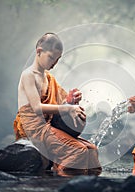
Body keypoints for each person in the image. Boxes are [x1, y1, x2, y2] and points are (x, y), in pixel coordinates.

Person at [13, 33, 101, 176]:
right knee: (79, 151)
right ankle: (61, 180)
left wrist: (71, 101)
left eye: (57, 59)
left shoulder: (49, 78)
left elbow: (61, 103)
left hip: (50, 126)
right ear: (39, 51)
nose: (54, 63)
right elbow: (36, 107)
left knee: (92, 150)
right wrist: (67, 108)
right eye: (51, 58)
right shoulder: (28, 75)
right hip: (35, 128)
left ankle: (89, 184)